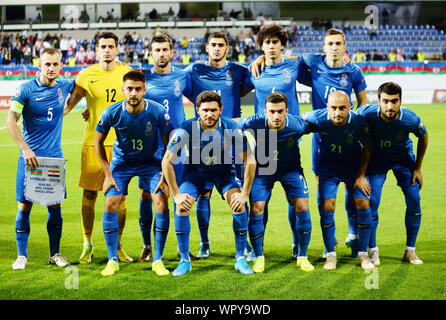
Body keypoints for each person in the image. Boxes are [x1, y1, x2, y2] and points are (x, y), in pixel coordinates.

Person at [161, 91, 256, 276]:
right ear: (197, 110)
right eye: (205, 110)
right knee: (181, 207)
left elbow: (250, 160)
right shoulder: (185, 129)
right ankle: (184, 261)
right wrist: (176, 195)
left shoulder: (232, 128)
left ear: (221, 110)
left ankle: (240, 258)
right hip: (195, 173)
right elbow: (166, 161)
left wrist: (244, 194)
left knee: (238, 205)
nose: (209, 114)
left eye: (213, 110)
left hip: (223, 172)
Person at [64, 32, 133, 264]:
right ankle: (87, 244)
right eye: (102, 46)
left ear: (117, 49)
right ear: (96, 49)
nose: (106, 50)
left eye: (110, 46)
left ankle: (119, 246)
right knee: (89, 194)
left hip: (122, 144)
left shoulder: (127, 72)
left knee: (120, 196)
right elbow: (68, 106)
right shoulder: (85, 75)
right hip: (93, 142)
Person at [183, 32, 254, 259]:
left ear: (227, 48)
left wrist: (261, 59)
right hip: (202, 141)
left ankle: (247, 245)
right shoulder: (194, 71)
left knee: (240, 193)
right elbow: (172, 78)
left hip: (232, 142)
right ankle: (205, 243)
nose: (216, 48)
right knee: (203, 194)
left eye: (220, 45)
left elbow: (259, 79)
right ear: (206, 48)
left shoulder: (239, 71)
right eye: (212, 45)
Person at [94, 71, 172, 276]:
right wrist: (108, 174)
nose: (134, 93)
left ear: (145, 90)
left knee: (161, 201)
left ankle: (157, 259)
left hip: (151, 162)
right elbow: (97, 142)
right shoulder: (111, 112)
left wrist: (164, 177)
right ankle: (112, 259)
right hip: (122, 163)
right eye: (129, 89)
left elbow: (169, 145)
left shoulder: (157, 111)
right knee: (111, 202)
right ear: (123, 90)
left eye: (138, 89)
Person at [7, 48, 74, 270]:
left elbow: (85, 85)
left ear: (61, 66)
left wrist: (79, 109)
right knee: (24, 206)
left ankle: (55, 254)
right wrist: (25, 149)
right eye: (47, 64)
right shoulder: (25, 90)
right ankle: (21, 255)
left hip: (54, 161)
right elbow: (11, 122)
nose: (52, 68)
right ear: (39, 66)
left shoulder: (64, 86)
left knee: (55, 209)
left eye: (56, 64)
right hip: (29, 160)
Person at [240, 92, 314, 273]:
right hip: (263, 171)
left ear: (287, 111)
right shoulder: (253, 122)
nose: (276, 116)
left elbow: (322, 125)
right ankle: (259, 256)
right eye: (272, 111)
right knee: (257, 207)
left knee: (303, 206)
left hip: (291, 170)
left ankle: (302, 256)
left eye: (280, 111)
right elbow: (232, 125)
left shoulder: (297, 125)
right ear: (265, 111)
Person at [357, 82, 428, 266]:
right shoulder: (366, 114)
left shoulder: (410, 119)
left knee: (414, 200)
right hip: (376, 161)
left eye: (394, 101)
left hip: (403, 160)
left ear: (400, 101)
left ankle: (410, 251)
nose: (390, 106)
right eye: (386, 101)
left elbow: (424, 136)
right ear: (378, 100)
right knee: (372, 202)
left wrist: (418, 168)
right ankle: (373, 251)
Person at [303, 91, 374, 270]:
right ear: (327, 107)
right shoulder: (318, 117)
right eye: (333, 108)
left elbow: (367, 146)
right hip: (328, 167)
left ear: (350, 107)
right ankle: (330, 254)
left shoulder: (358, 121)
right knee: (327, 206)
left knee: (363, 204)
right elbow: (297, 123)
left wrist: (362, 175)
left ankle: (363, 254)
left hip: (353, 167)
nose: (337, 112)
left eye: (342, 108)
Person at [139, 34, 192, 262]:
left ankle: (182, 248)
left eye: (165, 49)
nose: (161, 53)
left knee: (180, 195)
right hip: (150, 149)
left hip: (178, 147)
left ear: (172, 52)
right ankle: (147, 246)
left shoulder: (183, 76)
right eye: (156, 50)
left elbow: (203, 97)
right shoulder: (142, 77)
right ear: (151, 53)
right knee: (148, 196)